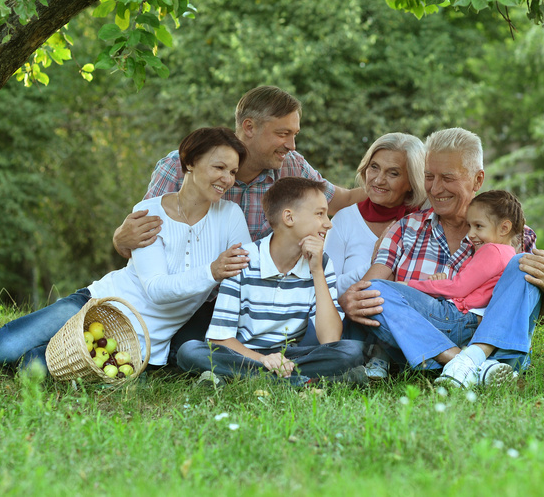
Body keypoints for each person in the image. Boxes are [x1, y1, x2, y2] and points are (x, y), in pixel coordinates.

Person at [0, 127, 253, 372]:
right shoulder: (149, 213)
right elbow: (156, 289)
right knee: (2, 350)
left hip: (139, 338)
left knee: (32, 367)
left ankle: (51, 348)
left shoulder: (229, 216)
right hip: (99, 301)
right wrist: (212, 270)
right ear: (190, 162)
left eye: (232, 172)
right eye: (219, 167)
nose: (227, 179)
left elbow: (248, 271)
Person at [338, 127, 544, 387]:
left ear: (477, 180)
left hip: (491, 343)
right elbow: (366, 292)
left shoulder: (514, 235)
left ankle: (479, 360)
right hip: (421, 342)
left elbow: (533, 312)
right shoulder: (405, 229)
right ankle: (464, 364)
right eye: (429, 176)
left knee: (521, 266)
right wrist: (352, 299)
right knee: (376, 291)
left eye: (447, 178)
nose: (435, 188)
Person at [111, 86, 364, 256]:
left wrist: (399, 189)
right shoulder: (181, 165)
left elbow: (343, 201)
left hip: (250, 298)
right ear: (249, 127)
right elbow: (137, 239)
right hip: (187, 296)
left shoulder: (291, 165)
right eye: (282, 133)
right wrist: (121, 240)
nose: (291, 145)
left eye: (294, 134)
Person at [176, 178, 366, 385]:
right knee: (190, 351)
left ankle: (243, 377)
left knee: (351, 351)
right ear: (289, 217)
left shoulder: (321, 263)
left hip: (290, 356)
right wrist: (263, 359)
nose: (328, 223)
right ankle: (300, 381)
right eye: (320, 214)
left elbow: (330, 339)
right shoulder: (242, 259)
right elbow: (219, 338)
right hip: (242, 354)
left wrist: (317, 271)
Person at [366, 190, 530, 387]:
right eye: (470, 226)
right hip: (467, 322)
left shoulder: (492, 250)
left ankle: (459, 361)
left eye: (478, 226)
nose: (471, 234)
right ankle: (472, 365)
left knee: (375, 291)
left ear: (504, 228)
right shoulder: (508, 254)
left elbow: (458, 288)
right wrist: (441, 282)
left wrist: (411, 285)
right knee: (381, 303)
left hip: (458, 318)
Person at [326, 132, 427, 296]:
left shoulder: (425, 224)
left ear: (412, 182)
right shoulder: (345, 219)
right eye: (374, 167)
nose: (379, 180)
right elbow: (326, 289)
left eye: (393, 173)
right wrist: (374, 264)